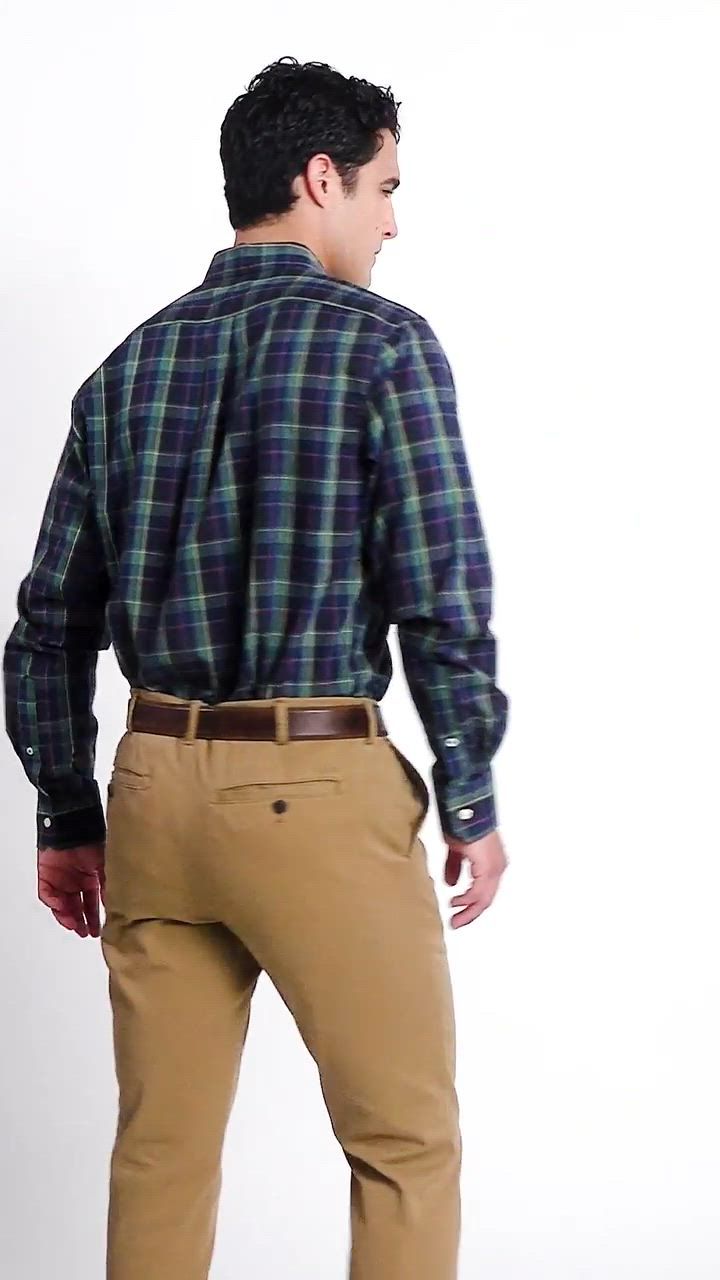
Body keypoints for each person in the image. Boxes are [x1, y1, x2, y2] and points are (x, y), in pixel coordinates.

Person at [3, 55, 510, 1280]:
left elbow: (48, 624)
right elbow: (439, 596)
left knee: (160, 1153)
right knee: (403, 1143)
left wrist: (69, 814)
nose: (393, 221)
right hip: (315, 793)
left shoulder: (124, 370)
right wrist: (472, 793)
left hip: (154, 795)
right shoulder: (384, 347)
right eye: (386, 187)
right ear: (320, 178)